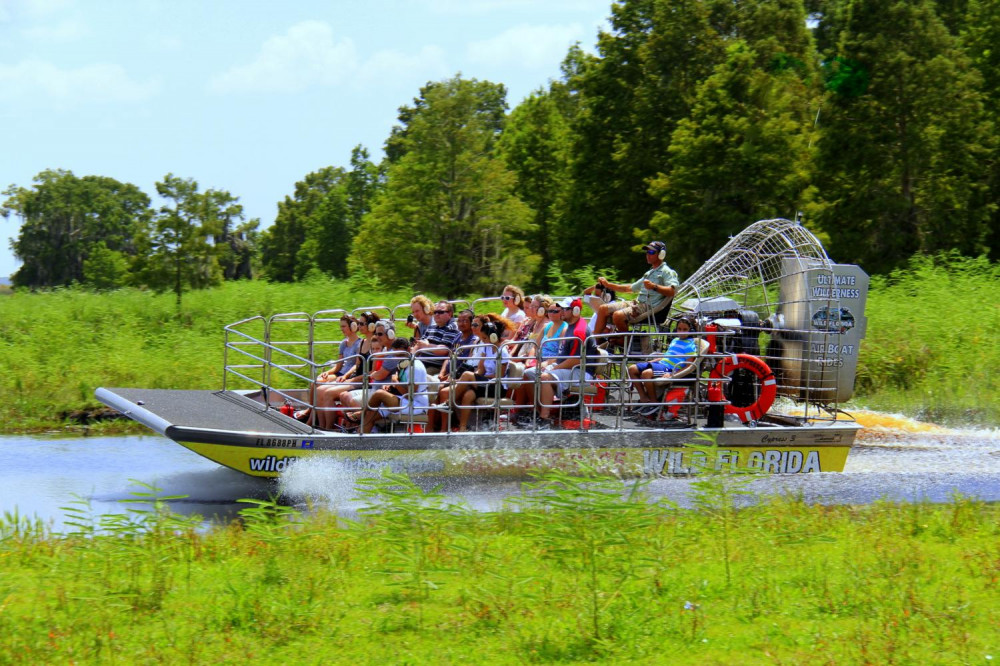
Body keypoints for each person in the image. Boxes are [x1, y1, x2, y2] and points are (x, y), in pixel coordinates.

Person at [517, 298, 600, 429]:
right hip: (566, 368)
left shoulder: (578, 331)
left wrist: (551, 370)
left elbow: (575, 360)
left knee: (545, 377)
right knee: (528, 374)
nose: (561, 312)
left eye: (565, 309)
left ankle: (545, 418)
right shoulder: (571, 326)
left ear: (576, 311)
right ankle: (537, 413)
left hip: (580, 371)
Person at [592, 240, 679, 340]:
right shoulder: (649, 273)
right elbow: (629, 288)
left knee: (618, 316)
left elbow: (673, 291)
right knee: (602, 309)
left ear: (661, 254)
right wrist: (608, 284)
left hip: (648, 307)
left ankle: (625, 343)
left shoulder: (667, 272)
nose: (648, 254)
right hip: (637, 304)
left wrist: (654, 286)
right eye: (647, 252)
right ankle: (595, 344)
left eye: (651, 252)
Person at [350, 338, 429, 434]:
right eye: (395, 355)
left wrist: (395, 382)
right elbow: (400, 383)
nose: (397, 358)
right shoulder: (403, 363)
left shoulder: (416, 367)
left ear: (409, 349)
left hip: (415, 404)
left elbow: (411, 395)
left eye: (400, 354)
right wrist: (390, 385)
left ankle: (362, 413)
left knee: (379, 394)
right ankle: (359, 441)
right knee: (370, 416)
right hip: (402, 399)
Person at [450, 315, 514, 431]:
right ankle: (463, 428)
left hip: (496, 385)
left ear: (494, 337)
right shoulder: (486, 347)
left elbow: (498, 376)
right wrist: (476, 377)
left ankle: (448, 403)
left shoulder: (502, 352)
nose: (483, 341)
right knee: (468, 395)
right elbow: (481, 370)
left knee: (467, 375)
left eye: (485, 338)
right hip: (485, 382)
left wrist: (474, 378)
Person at [627, 315, 699, 416]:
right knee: (632, 369)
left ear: (691, 330)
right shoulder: (675, 340)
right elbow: (667, 356)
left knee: (646, 374)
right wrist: (654, 361)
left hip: (669, 368)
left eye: (685, 329)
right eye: (679, 329)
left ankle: (654, 402)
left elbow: (690, 365)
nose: (681, 331)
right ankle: (644, 397)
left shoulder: (690, 346)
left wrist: (673, 374)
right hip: (661, 364)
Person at [296, 314, 362, 424]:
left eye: (344, 326)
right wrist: (327, 372)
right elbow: (339, 366)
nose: (341, 329)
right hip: (341, 373)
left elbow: (356, 365)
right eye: (341, 326)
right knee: (316, 382)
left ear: (353, 327)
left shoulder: (359, 344)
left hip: (349, 376)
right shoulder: (343, 343)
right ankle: (311, 411)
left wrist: (345, 376)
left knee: (321, 390)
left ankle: (314, 420)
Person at [412, 300, 462, 375]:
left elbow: (444, 350)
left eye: (441, 312)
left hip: (436, 366)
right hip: (421, 362)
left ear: (450, 313)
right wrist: (410, 358)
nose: (437, 314)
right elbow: (419, 344)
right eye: (435, 312)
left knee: (415, 376)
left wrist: (427, 346)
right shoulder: (432, 326)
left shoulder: (452, 327)